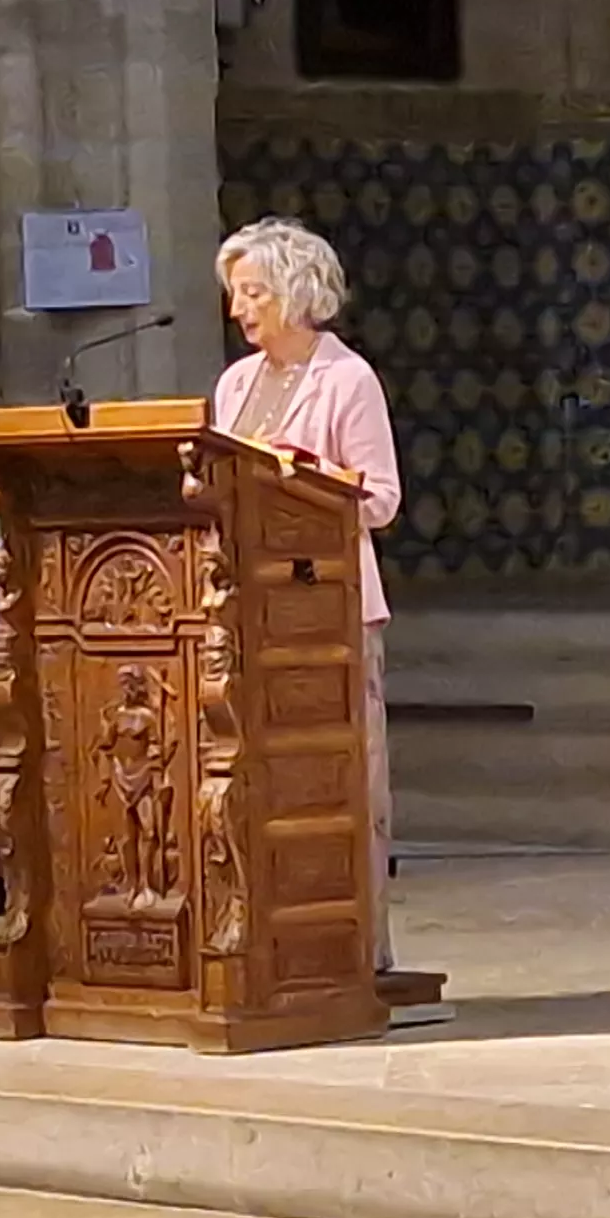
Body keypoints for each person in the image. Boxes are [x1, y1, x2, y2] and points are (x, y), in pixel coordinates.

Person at [212, 216, 405, 970]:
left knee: (344, 781)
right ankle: (267, 947)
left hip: (327, 613)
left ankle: (357, 954)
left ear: (296, 293)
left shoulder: (346, 379)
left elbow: (381, 499)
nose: (240, 310)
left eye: (253, 292)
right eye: (236, 294)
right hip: (244, 613)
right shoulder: (234, 384)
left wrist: (308, 478)